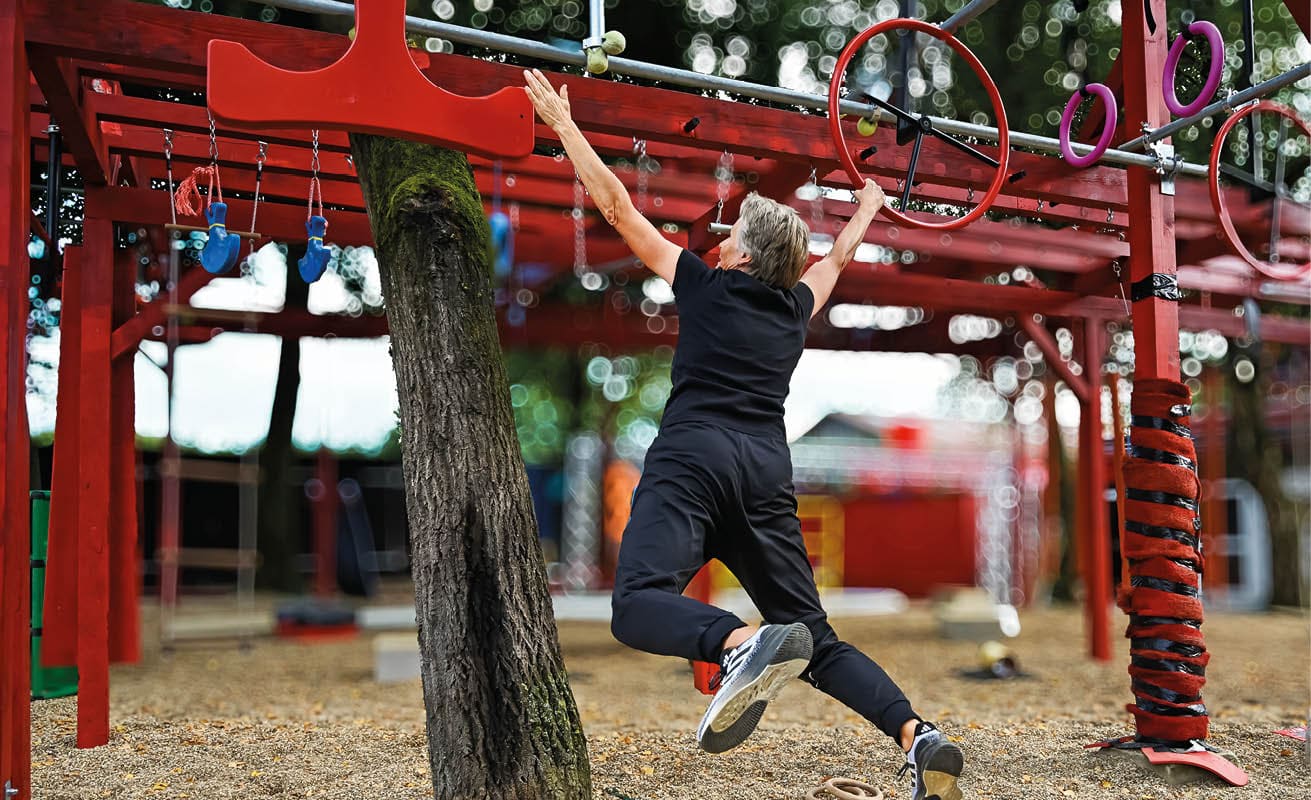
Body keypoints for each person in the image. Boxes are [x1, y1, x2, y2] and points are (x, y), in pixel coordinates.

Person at [524, 69, 964, 800]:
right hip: (763, 472)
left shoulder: (703, 284)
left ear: (745, 258)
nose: (718, 243)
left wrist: (564, 125)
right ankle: (919, 736)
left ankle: (739, 644)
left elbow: (615, 206)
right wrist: (868, 208)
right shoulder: (792, 308)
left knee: (637, 605)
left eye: (729, 240)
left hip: (694, 459)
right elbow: (837, 261)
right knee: (814, 639)